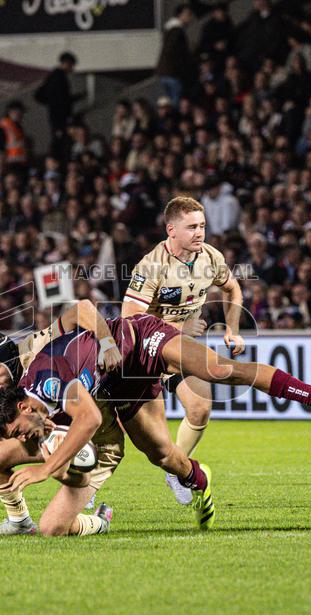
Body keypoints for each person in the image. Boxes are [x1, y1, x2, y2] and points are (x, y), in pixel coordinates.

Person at [0, 313, 311, 531]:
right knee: (162, 455)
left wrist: (106, 341)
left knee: (220, 370)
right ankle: (198, 479)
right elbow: (81, 419)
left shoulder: (44, 374)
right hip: (116, 385)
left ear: (23, 407)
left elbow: (80, 308)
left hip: (138, 340)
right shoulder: (28, 394)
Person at [121, 195, 244, 505]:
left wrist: (232, 329)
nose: (199, 233)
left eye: (202, 226)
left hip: (178, 351)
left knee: (201, 407)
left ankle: (177, 471)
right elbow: (129, 321)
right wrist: (179, 329)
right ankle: (86, 490)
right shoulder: (151, 266)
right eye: (192, 227)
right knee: (131, 434)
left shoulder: (210, 257)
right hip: (146, 353)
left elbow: (232, 288)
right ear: (171, 229)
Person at [0, 299, 122, 536]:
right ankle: (19, 522)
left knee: (53, 528)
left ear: (9, 361)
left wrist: (107, 343)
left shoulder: (40, 348)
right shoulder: (14, 396)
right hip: (60, 434)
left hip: (96, 438)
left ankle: (100, 519)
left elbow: (82, 308)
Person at [33, 52, 83, 155]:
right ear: (66, 63)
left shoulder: (55, 76)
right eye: (71, 65)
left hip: (57, 116)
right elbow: (61, 100)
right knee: (61, 142)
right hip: (59, 118)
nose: (72, 69)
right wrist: (54, 103)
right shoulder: (58, 77)